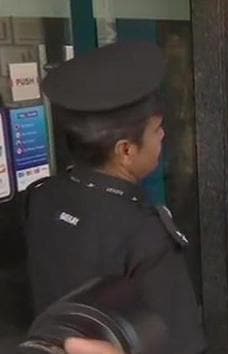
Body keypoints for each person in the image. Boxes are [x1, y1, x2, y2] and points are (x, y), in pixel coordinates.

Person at [25, 42, 206, 354]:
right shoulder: (143, 232)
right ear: (126, 150)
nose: (163, 136)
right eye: (157, 129)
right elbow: (180, 344)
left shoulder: (42, 196)